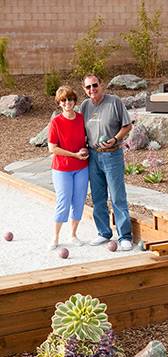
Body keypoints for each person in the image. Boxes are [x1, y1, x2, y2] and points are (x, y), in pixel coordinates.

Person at [81, 73, 133, 251]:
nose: (92, 89)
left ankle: (125, 236)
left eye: (94, 85)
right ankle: (103, 233)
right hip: (93, 156)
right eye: (88, 87)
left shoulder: (114, 101)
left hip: (112, 154)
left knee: (118, 196)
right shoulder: (85, 106)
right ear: (84, 89)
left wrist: (115, 139)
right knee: (98, 197)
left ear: (101, 85)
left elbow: (127, 125)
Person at [48, 85, 89, 250]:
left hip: (81, 167)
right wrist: (74, 155)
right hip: (62, 169)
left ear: (74, 100)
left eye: (70, 99)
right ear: (59, 103)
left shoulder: (81, 118)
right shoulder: (56, 122)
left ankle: (73, 235)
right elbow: (53, 148)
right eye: (63, 100)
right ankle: (55, 237)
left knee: (79, 201)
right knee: (63, 201)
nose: (67, 103)